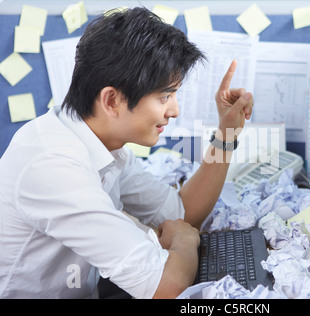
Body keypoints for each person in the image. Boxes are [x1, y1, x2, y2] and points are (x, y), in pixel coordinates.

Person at [0, 7, 253, 298]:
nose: (174, 110)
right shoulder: (51, 164)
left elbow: (180, 213)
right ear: (112, 100)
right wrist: (185, 240)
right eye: (164, 96)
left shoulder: (105, 146)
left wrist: (228, 132)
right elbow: (166, 289)